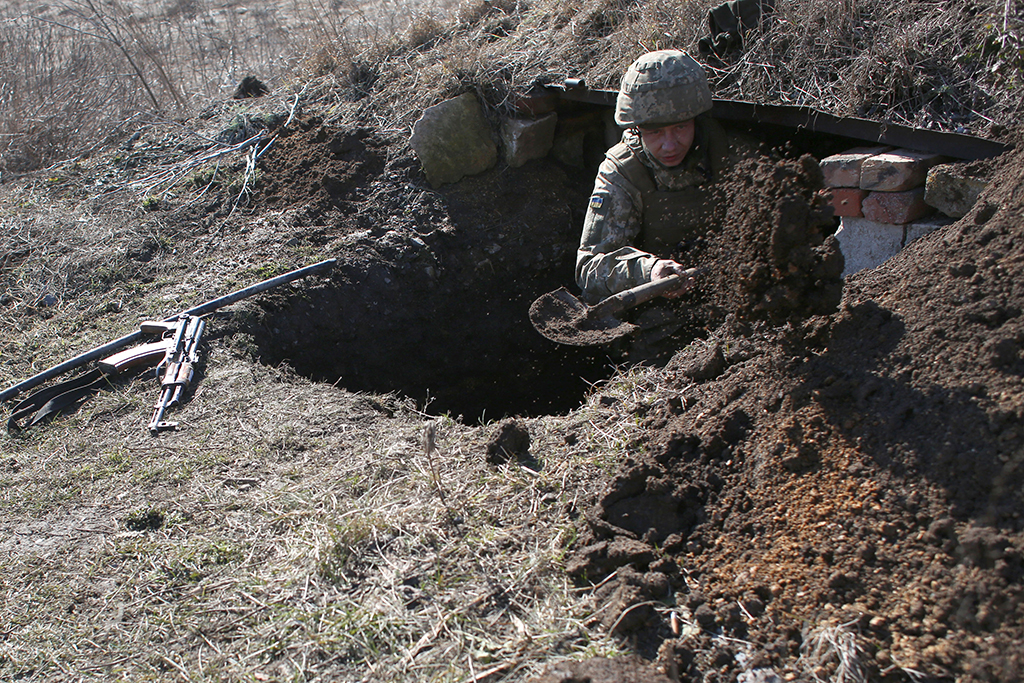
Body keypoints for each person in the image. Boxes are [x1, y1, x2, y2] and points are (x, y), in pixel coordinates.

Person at [576, 50, 755, 306]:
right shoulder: (622, 171)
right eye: (655, 132)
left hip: (727, 289)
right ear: (636, 130)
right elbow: (590, 266)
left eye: (680, 127)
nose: (670, 145)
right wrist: (649, 271)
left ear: (696, 120)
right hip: (655, 304)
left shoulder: (728, 153)